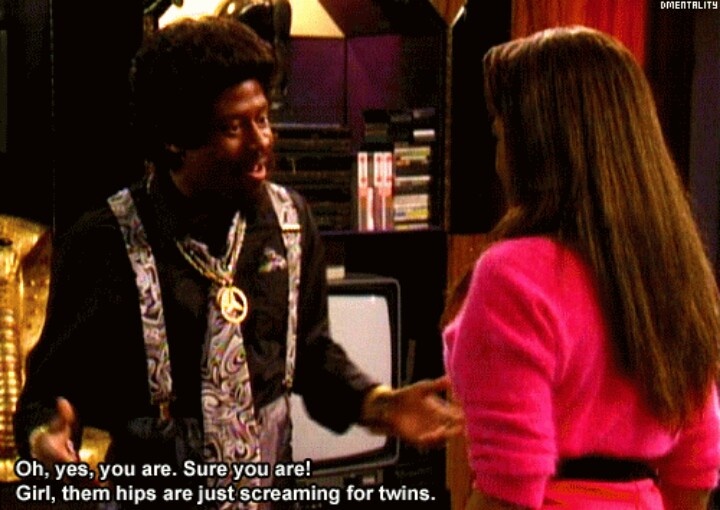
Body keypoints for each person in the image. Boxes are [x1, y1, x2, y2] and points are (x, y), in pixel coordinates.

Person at [13, 15, 462, 509]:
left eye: (262, 119)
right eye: (233, 127)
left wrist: (380, 405)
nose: (260, 142)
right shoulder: (104, 242)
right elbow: (49, 392)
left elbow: (312, 358)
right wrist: (46, 437)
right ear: (175, 139)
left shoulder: (291, 224)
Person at [442, 26, 720, 510]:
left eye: (500, 135)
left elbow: (508, 491)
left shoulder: (513, 275)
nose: (498, 158)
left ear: (536, 147)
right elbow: (696, 468)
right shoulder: (672, 270)